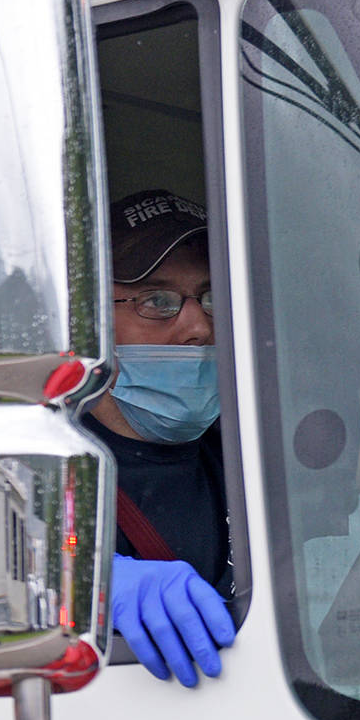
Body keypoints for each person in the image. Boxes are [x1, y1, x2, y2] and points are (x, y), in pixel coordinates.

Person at [83, 189, 238, 688]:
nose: (198, 326)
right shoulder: (40, 470)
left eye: (214, 296)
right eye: (156, 300)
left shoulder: (248, 452)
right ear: (88, 320)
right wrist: (85, 586)